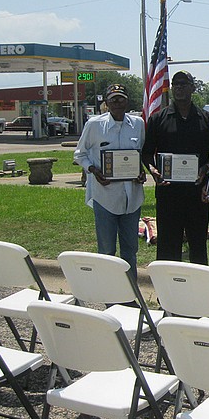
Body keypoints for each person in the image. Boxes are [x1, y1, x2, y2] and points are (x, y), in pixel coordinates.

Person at [141, 70, 209, 265]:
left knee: (198, 245)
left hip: (197, 193)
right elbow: (147, 152)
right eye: (176, 84)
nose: (180, 87)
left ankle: (198, 291)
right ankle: (167, 293)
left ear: (193, 87)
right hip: (168, 193)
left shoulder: (207, 119)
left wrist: (206, 167)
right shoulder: (158, 119)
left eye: (184, 83)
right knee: (168, 245)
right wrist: (153, 170)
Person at [74, 83, 146, 279]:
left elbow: (140, 154)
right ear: (106, 102)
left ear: (127, 101)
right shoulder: (94, 125)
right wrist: (95, 171)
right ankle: (109, 292)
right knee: (106, 250)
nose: (117, 102)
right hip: (104, 197)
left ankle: (131, 292)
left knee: (130, 250)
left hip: (132, 198)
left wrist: (140, 172)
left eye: (121, 98)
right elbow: (79, 155)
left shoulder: (138, 124)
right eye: (113, 98)